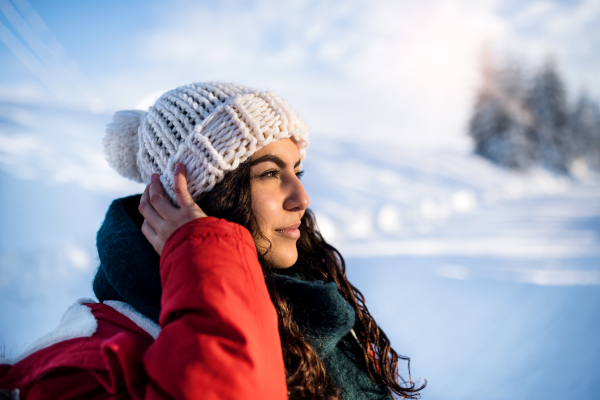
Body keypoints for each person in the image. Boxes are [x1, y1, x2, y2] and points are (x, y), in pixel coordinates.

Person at [0, 82, 424, 399]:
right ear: (194, 197)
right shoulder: (94, 363)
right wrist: (204, 247)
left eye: (298, 170)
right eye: (270, 174)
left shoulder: (305, 302)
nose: (302, 198)